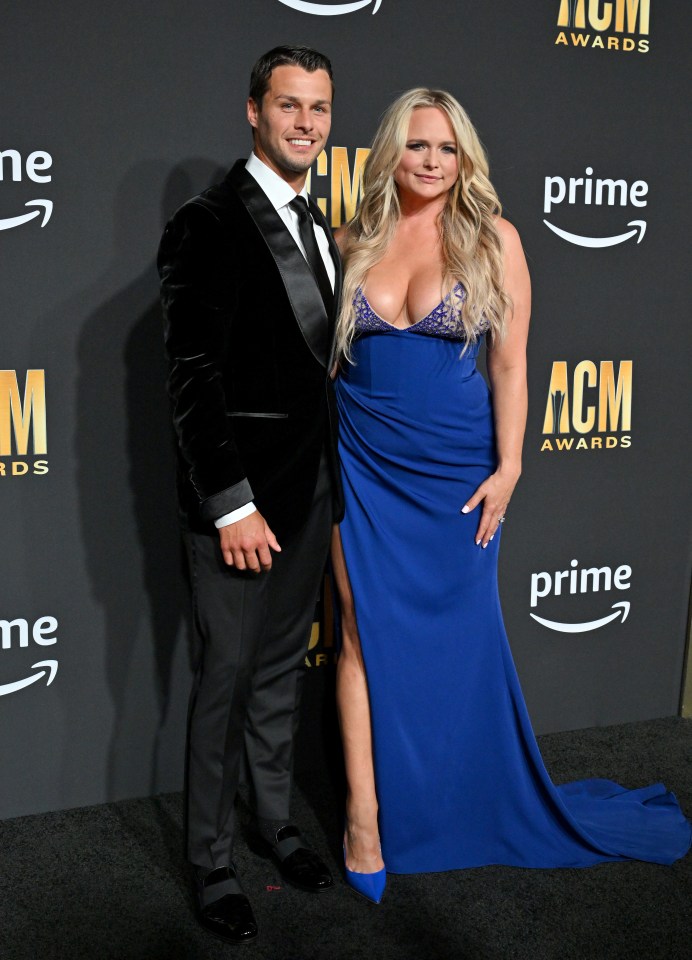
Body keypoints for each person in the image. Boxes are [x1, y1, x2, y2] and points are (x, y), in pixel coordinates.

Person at [330, 88, 691, 903]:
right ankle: (365, 820)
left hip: (456, 478)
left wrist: (511, 466)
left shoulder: (494, 239)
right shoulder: (353, 239)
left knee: (459, 645)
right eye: (419, 145)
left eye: (448, 150)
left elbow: (510, 366)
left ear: (466, 161)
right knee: (356, 632)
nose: (432, 162)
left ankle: (459, 800)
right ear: (392, 151)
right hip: (361, 466)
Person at [157, 46, 343, 944]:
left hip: (310, 492)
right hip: (240, 507)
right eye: (289, 106)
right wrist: (230, 503)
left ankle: (273, 826)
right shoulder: (209, 222)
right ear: (252, 112)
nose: (305, 123)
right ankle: (211, 860)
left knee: (277, 674)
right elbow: (192, 377)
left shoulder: (323, 225)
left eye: (319, 108)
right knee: (222, 683)